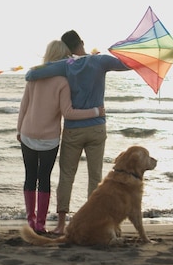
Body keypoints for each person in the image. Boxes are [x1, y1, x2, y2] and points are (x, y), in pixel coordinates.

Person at [25, 30, 132, 234]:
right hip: (97, 127)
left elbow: (32, 73)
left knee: (67, 176)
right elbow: (127, 65)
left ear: (66, 49)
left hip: (74, 130)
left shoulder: (66, 65)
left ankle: (60, 225)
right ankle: (95, 221)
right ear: (82, 42)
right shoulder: (100, 61)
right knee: (95, 177)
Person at [17, 40, 105, 234]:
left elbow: (24, 106)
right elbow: (69, 113)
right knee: (44, 178)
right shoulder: (63, 82)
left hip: (27, 133)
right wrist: (96, 111)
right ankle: (41, 224)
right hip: (49, 138)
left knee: (30, 177)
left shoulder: (33, 77)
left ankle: (31, 222)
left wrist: (18, 130)